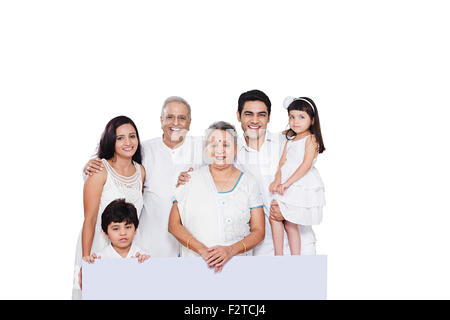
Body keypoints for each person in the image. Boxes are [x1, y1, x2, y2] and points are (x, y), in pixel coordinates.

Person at [178, 90, 318, 255]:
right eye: (248, 114)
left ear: (269, 117)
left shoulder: (288, 142)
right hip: (258, 247)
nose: (255, 120)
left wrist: (289, 212)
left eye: (261, 115)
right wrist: (185, 177)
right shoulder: (229, 151)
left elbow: (308, 183)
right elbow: (205, 173)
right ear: (238, 116)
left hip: (299, 243)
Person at [84, 97, 203, 257]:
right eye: (169, 117)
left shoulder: (204, 148)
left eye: (182, 118)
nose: (176, 123)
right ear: (161, 121)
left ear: (189, 122)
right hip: (150, 244)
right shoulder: (143, 150)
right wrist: (87, 167)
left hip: (195, 242)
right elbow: (114, 168)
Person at [168, 121, 265, 272]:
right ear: (206, 149)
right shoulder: (189, 179)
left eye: (226, 145)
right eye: (213, 145)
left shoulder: (249, 183)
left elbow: (259, 231)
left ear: (235, 149)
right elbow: (174, 225)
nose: (220, 150)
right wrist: (203, 251)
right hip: (195, 265)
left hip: (238, 266)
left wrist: (230, 250)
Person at [73, 116, 145, 300]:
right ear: (110, 141)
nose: (128, 142)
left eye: (132, 136)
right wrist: (86, 261)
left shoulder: (140, 171)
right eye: (120, 138)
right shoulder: (99, 170)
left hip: (127, 247)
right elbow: (89, 219)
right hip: (98, 245)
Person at [268, 96, 325, 255]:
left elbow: (305, 166)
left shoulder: (311, 139)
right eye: (292, 117)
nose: (295, 121)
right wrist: (277, 181)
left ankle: (295, 256)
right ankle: (278, 254)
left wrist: (286, 183)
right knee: (275, 217)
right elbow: (282, 163)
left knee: (290, 222)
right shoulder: (290, 139)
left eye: (301, 117)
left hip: (298, 183)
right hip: (285, 183)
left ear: (312, 120)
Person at [79, 199, 150, 290]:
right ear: (106, 233)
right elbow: (89, 290)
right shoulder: (99, 259)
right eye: (116, 229)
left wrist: (147, 268)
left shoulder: (143, 257)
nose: (123, 233)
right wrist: (88, 270)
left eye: (128, 227)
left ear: (135, 229)